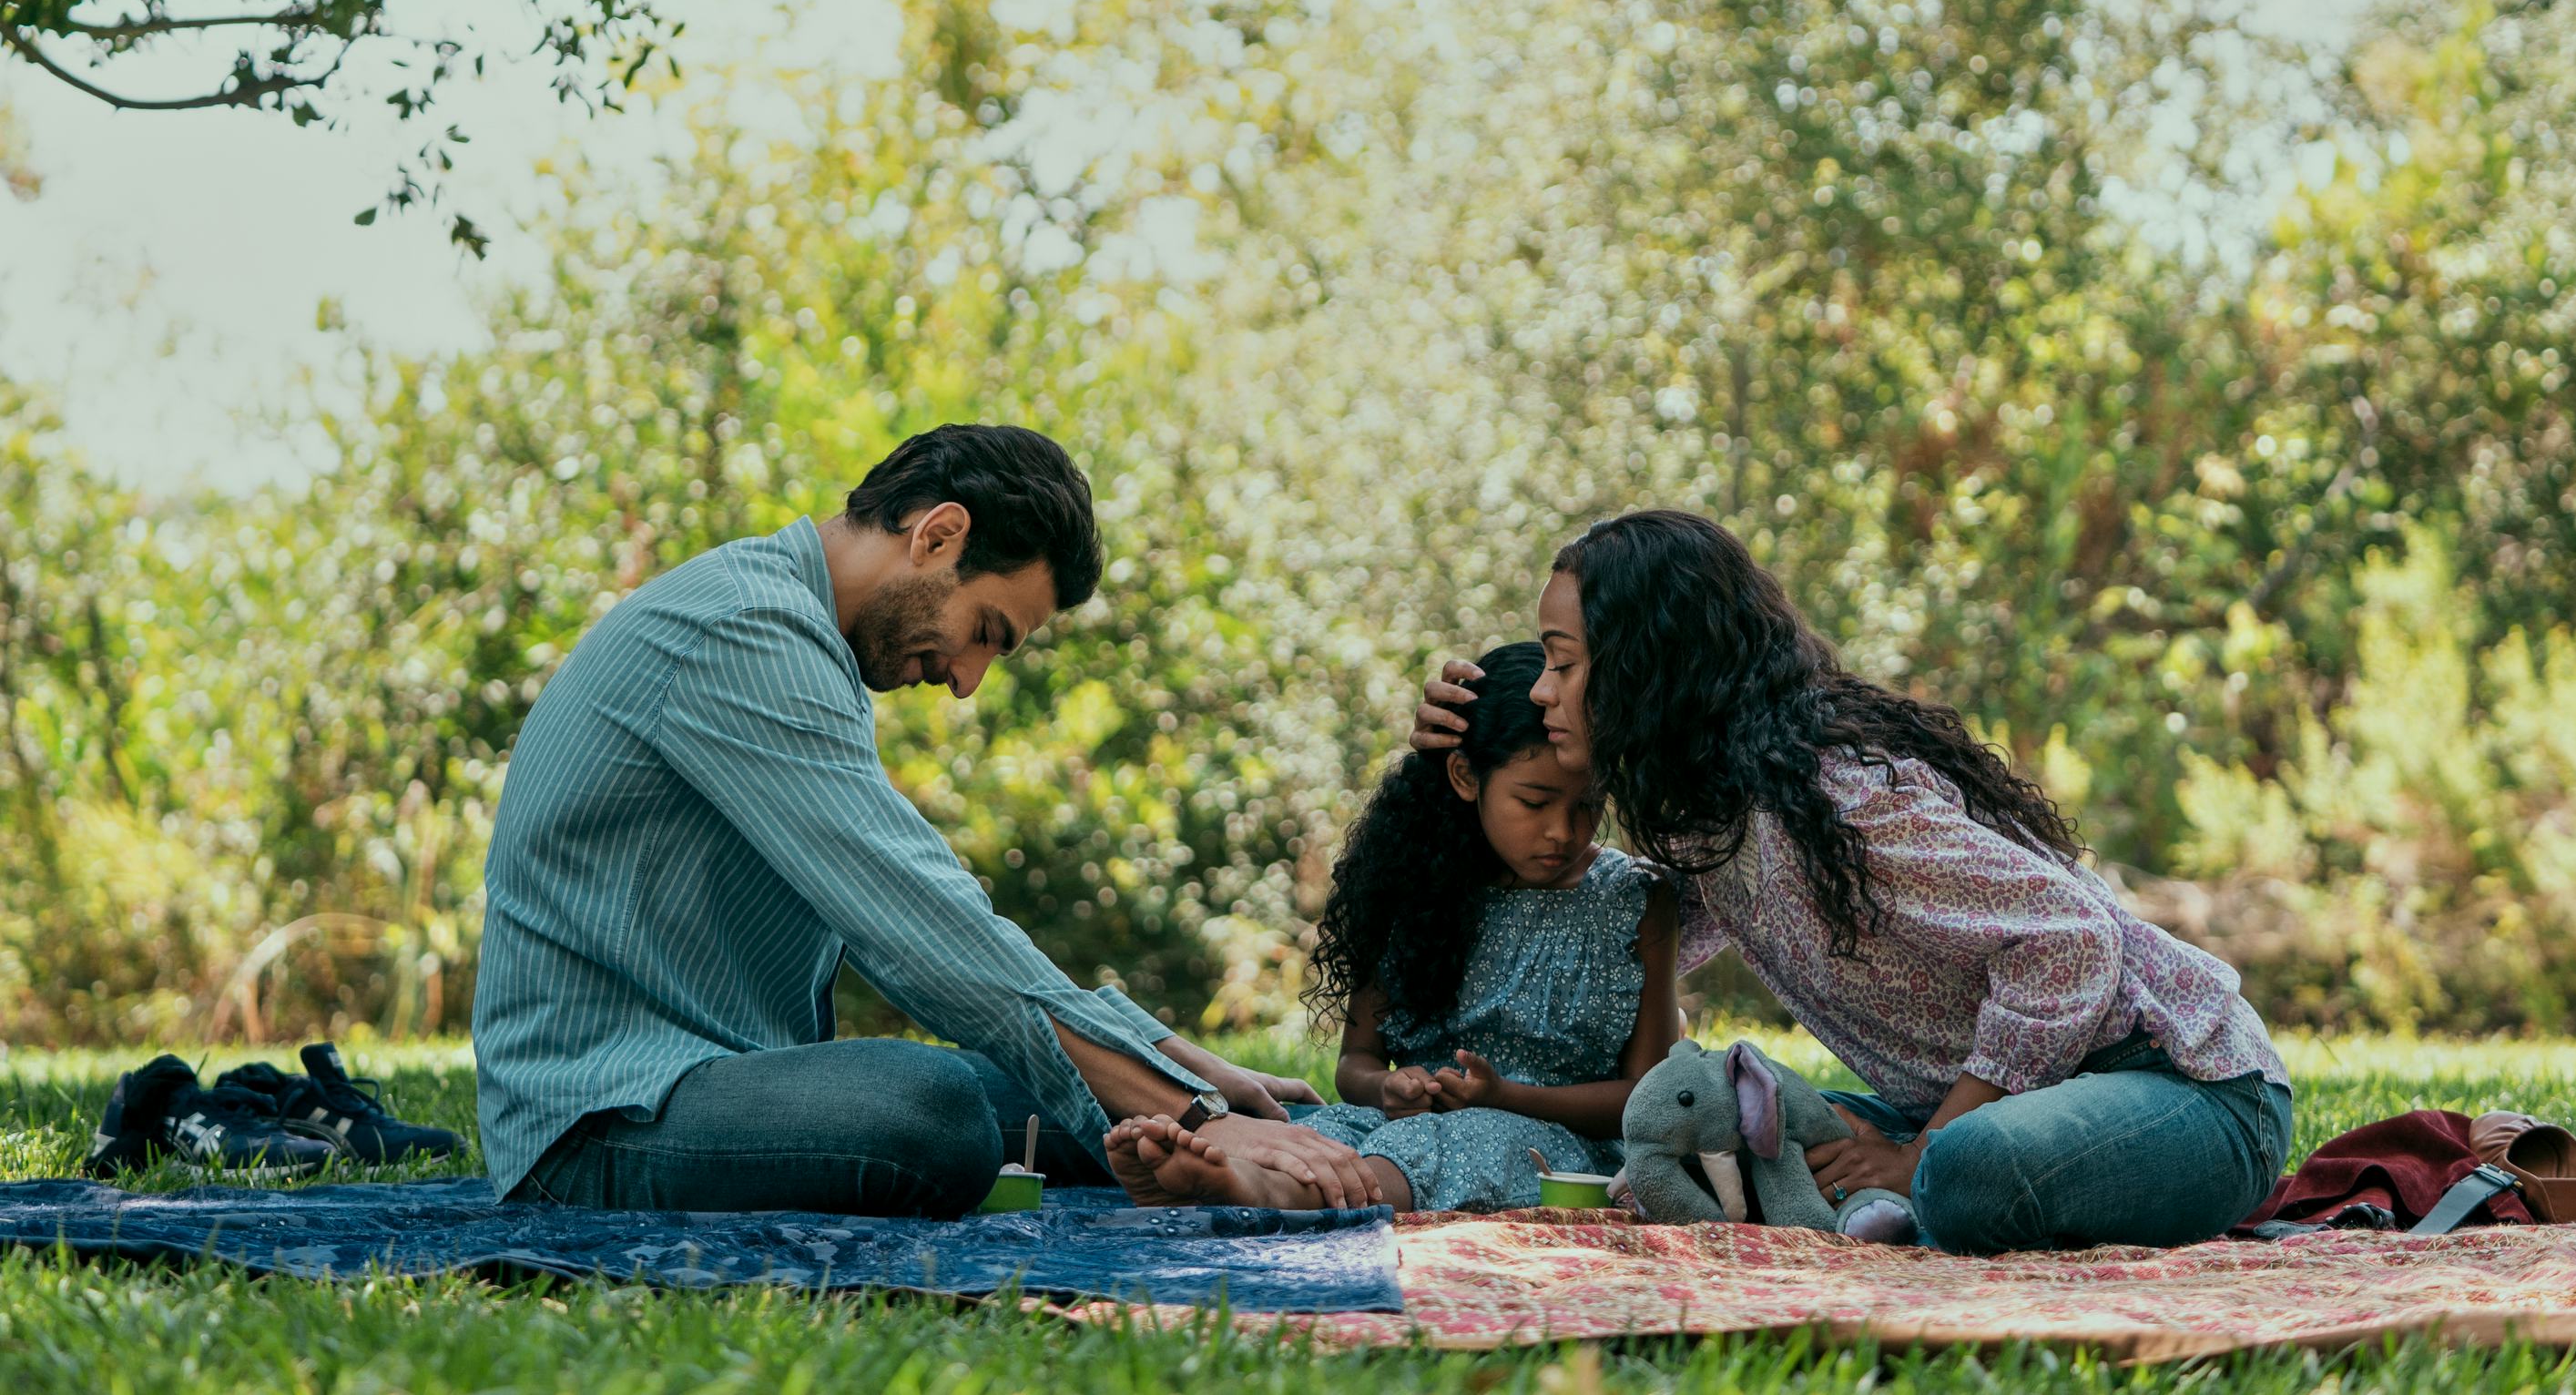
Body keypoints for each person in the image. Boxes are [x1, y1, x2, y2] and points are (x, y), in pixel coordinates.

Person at [473, 423, 1377, 1217]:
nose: (968, 677)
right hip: (599, 1117)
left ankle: (1301, 1149)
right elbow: (918, 920)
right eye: (987, 628)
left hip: (712, 1078)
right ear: (938, 534)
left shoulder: (790, 628)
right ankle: (1211, 1133)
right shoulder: (743, 630)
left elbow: (940, 911)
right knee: (935, 1109)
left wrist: (1174, 1064)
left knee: (1072, 1097)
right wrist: (1190, 1107)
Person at [1409, 510, 2293, 1254]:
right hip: (1966, 1110)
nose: (1543, 694)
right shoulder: (1708, 821)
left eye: (1561, 663)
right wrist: (1454, 765)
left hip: (2187, 1089)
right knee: (1688, 1135)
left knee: (1961, 1171)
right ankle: (1888, 1185)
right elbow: (1595, 928)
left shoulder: (1837, 797)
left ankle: (1909, 1179)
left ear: (1643, 664)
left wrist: (1925, 1148)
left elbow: (2069, 942)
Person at [1105, 643, 1678, 1211]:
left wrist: (1509, 1097)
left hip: (1553, 1148)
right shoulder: (1415, 886)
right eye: (1534, 802)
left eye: (1587, 805)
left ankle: (1265, 1192)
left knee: (1459, 1142)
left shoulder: (1635, 900)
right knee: (1326, 1130)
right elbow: (1356, 1063)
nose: (1562, 831)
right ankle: (1241, 1169)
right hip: (1397, 1125)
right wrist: (1386, 1088)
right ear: (1465, 776)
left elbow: (1648, 1100)